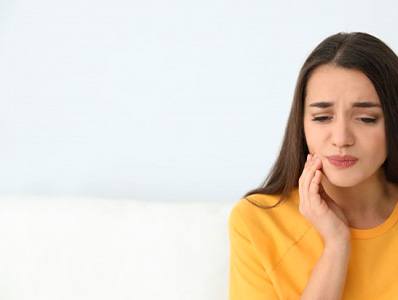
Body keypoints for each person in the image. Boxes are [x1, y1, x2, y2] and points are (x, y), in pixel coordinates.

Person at [228, 31, 398, 300]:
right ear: (302, 123)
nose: (341, 138)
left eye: (366, 118)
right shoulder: (257, 222)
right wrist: (336, 246)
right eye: (322, 117)